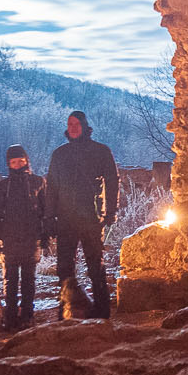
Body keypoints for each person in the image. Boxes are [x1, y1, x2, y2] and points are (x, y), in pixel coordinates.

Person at [44, 109, 118, 318]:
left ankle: (102, 311)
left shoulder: (100, 151)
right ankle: (66, 309)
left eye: (76, 124)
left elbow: (112, 180)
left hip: (90, 218)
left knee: (95, 265)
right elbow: (52, 187)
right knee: (64, 267)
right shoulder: (60, 154)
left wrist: (110, 211)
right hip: (65, 218)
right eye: (70, 124)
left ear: (84, 126)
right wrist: (49, 217)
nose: (73, 128)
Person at [0, 143, 46, 330]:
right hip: (10, 239)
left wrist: (45, 235)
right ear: (9, 164)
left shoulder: (38, 182)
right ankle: (11, 316)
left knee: (29, 280)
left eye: (21, 161)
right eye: (14, 162)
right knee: (10, 280)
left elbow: (45, 211)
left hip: (31, 238)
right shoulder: (4, 186)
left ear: (27, 161)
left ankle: (27, 314)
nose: (18, 165)